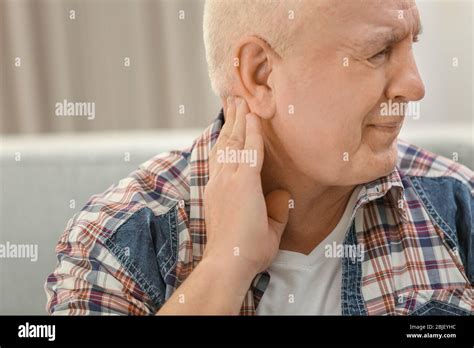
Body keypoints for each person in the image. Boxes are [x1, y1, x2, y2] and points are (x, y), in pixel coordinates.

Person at [45, 0, 473, 315]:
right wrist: (224, 267)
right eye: (379, 52)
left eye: (411, 44)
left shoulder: (458, 206)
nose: (415, 87)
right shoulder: (115, 241)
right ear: (260, 76)